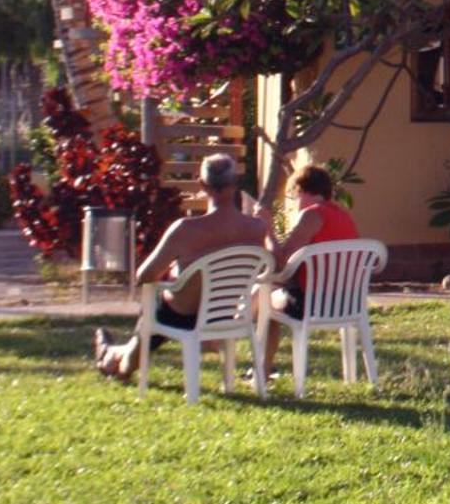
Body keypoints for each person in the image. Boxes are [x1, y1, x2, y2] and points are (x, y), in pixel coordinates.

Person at [92, 153, 272, 381]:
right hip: (224, 314)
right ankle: (114, 354)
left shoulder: (185, 230)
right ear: (235, 184)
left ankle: (115, 360)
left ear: (202, 185)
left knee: (153, 308)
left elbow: (144, 275)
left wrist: (178, 274)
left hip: (179, 314)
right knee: (152, 317)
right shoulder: (256, 228)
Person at [259, 165, 360, 377]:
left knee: (262, 297)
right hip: (348, 303)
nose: (293, 203)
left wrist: (267, 229)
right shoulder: (342, 215)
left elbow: (281, 262)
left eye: (292, 196)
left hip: (313, 304)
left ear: (301, 191)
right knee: (271, 291)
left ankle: (261, 370)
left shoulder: (311, 216)